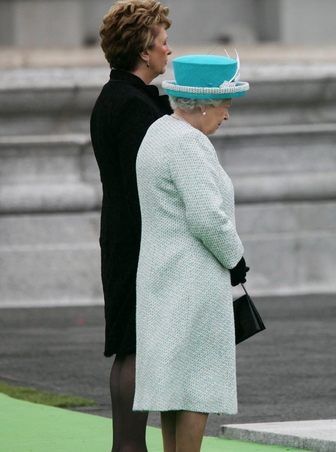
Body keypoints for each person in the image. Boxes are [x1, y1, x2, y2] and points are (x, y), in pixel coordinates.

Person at [133, 54, 250, 452]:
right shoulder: (188, 143)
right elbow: (207, 218)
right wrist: (236, 259)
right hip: (191, 281)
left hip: (161, 274)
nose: (227, 115)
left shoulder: (158, 132)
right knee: (196, 387)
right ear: (202, 104)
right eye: (225, 105)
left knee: (172, 386)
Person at [90, 1, 172, 451]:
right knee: (136, 345)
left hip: (122, 234)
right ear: (144, 50)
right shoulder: (132, 104)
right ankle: (129, 447)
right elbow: (153, 180)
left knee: (129, 345)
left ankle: (127, 446)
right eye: (162, 41)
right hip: (140, 238)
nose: (168, 49)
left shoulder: (114, 96)